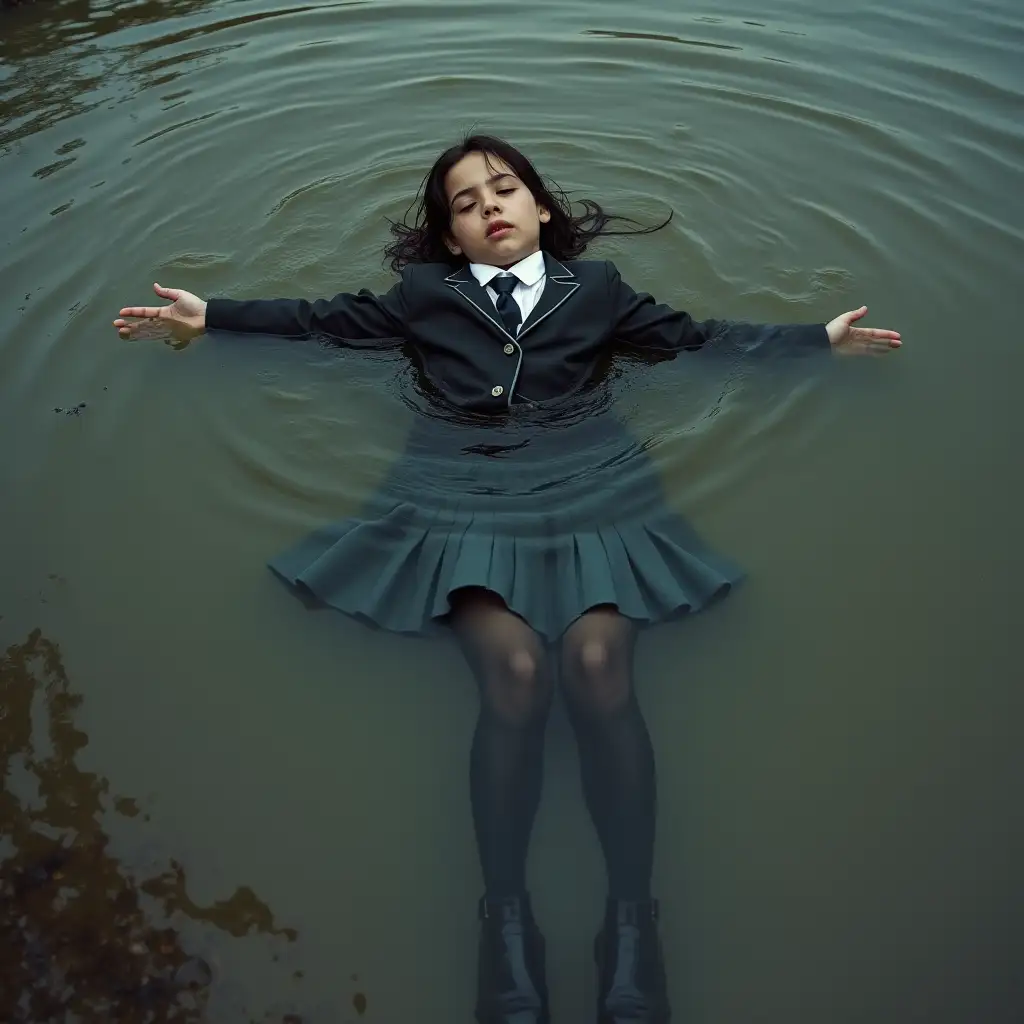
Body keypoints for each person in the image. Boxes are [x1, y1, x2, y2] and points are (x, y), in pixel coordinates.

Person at [113, 133, 900, 1024]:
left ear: (541, 209)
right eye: (464, 202)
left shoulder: (595, 291)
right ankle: (507, 924)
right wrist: (209, 316)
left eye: (505, 189)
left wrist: (813, 341)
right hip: (460, 484)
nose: (490, 205)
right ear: (451, 238)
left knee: (598, 666)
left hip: (592, 480)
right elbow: (318, 320)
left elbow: (696, 340)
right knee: (519, 672)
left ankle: (632, 924)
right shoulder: (422, 299)